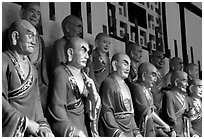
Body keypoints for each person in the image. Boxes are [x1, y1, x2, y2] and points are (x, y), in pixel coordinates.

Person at [2, 19, 54, 137]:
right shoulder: (3, 60)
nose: (34, 41)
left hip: (31, 128)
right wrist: (25, 123)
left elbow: (36, 103)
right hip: (13, 128)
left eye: (35, 37)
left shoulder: (32, 68)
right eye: (30, 36)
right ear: (15, 36)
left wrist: (43, 126)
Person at [47, 37, 101, 137]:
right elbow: (57, 108)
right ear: (70, 53)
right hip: (70, 128)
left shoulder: (84, 76)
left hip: (84, 127)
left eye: (88, 52)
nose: (87, 57)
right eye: (83, 51)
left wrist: (93, 95)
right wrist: (73, 131)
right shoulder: (61, 73)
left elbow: (90, 108)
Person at [99, 53, 142, 137]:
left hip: (129, 130)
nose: (128, 68)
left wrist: (136, 131)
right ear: (114, 64)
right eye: (125, 64)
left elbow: (130, 114)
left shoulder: (126, 86)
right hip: (116, 129)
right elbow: (106, 112)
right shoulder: (109, 83)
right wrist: (117, 132)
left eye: (129, 65)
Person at [19, 2, 49, 115]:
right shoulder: (13, 33)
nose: (35, 16)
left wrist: (46, 84)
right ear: (22, 12)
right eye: (32, 11)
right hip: (22, 83)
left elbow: (44, 67)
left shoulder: (40, 40)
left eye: (38, 13)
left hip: (39, 83)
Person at [127, 62, 172, 137]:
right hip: (142, 129)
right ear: (144, 75)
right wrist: (163, 124)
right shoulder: (137, 87)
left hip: (152, 128)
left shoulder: (148, 91)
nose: (155, 79)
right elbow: (147, 111)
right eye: (153, 75)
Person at [160, 71, 198, 137]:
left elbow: (187, 119)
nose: (187, 85)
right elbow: (170, 117)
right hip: (175, 132)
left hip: (185, 132)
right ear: (176, 82)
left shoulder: (184, 97)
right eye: (184, 81)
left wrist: (193, 133)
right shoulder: (169, 95)